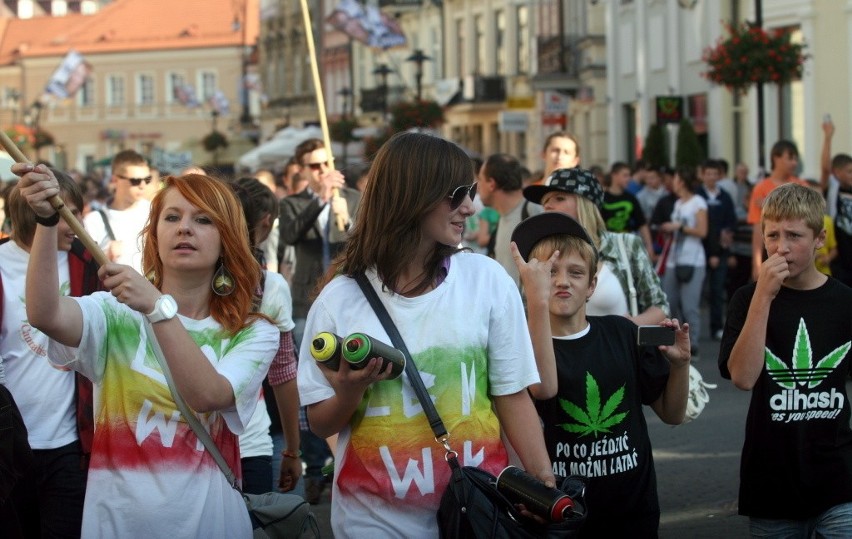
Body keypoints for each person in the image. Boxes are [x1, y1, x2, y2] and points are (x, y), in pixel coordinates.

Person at [297, 132, 554, 538]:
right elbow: (319, 422)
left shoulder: (486, 280)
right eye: (457, 194)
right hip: (373, 520)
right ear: (410, 197)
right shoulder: (339, 301)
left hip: (478, 511)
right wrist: (348, 391)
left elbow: (511, 394)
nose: (470, 206)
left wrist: (543, 482)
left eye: (471, 191)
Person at [15, 166, 279, 538]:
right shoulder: (114, 312)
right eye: (172, 217)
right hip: (116, 524)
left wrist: (158, 309)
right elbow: (45, 314)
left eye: (203, 219)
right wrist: (45, 222)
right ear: (155, 235)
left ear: (228, 240)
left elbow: (208, 395)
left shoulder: (252, 331)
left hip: (210, 523)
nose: (184, 227)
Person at [510, 211, 690, 538]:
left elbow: (672, 414)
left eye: (576, 273)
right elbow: (543, 388)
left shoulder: (622, 333)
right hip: (563, 515)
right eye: (550, 272)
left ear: (592, 285)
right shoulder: (519, 345)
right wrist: (535, 301)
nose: (562, 281)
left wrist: (680, 366)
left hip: (633, 511)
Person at [718, 183, 852, 537]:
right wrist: (764, 295)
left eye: (794, 235)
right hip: (771, 483)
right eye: (772, 235)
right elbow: (743, 377)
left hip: (837, 479)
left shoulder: (843, 302)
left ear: (820, 238)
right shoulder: (747, 300)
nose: (781, 247)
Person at [1, 171, 96, 538]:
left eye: (79, 213)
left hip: (70, 444)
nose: (77, 224)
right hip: (9, 447)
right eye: (66, 213)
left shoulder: (87, 264)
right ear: (35, 213)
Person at [279, 138, 360, 504]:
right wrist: (320, 200)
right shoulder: (295, 203)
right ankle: (315, 467)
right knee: (313, 388)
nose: (323, 171)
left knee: (351, 380)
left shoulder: (355, 199)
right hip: (307, 304)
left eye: (327, 163)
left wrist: (349, 216)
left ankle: (349, 458)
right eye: (314, 166)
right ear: (302, 171)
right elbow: (292, 233)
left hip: (350, 303)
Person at [523, 167, 669, 325]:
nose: (548, 206)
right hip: (557, 349)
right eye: (545, 201)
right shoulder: (537, 254)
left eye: (559, 198)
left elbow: (660, 306)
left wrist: (629, 327)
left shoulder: (626, 245)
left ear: (585, 204)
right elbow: (524, 315)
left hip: (617, 348)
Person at [231, 178, 302, 495]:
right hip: (250, 441)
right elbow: (284, 372)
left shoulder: (184, 275)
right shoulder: (269, 285)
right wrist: (292, 450)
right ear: (267, 221)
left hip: (181, 442)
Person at [659, 165, 708, 355]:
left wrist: (678, 227)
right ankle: (673, 340)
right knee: (668, 301)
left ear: (684, 182)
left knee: (690, 306)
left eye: (677, 179)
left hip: (693, 259)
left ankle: (692, 344)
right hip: (673, 258)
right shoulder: (678, 203)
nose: (673, 182)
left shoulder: (698, 202)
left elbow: (702, 231)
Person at [477, 152, 543, 286]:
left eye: (480, 179)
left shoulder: (532, 211)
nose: (477, 185)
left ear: (491, 184)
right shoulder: (503, 215)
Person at [83, 149, 152, 272]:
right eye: (135, 180)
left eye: (147, 179)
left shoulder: (155, 211)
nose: (142, 185)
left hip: (152, 288)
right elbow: (85, 267)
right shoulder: (94, 220)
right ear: (115, 180)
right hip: (113, 290)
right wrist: (105, 256)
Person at [747, 140, 807, 281]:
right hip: (772, 254)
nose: (794, 163)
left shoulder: (801, 186)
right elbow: (758, 229)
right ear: (776, 158)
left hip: (797, 254)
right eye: (790, 158)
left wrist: (769, 206)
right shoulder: (761, 188)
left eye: (796, 159)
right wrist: (756, 263)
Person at [697, 159, 737, 340]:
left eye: (715, 174)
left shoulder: (725, 196)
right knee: (696, 291)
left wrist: (726, 238)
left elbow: (731, 221)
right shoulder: (697, 196)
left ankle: (717, 327)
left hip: (721, 251)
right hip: (700, 250)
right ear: (702, 175)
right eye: (708, 173)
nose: (712, 177)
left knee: (717, 290)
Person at [601, 162, 655, 260]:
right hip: (606, 248)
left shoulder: (631, 198)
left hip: (627, 247)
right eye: (625, 175)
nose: (629, 179)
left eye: (629, 175)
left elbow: (642, 224)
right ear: (614, 175)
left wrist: (649, 246)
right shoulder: (602, 199)